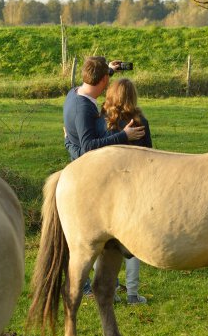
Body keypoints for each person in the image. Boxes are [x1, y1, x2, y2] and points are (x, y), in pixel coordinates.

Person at [62, 56, 146, 303]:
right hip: (89, 177)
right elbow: (88, 147)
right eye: (107, 77)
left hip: (88, 172)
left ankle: (108, 282)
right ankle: (89, 286)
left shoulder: (73, 93)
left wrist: (108, 69)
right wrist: (123, 135)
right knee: (91, 236)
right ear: (103, 82)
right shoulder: (84, 108)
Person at [100, 78, 153, 304]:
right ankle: (132, 292)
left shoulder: (104, 121)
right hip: (134, 186)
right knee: (133, 241)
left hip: (109, 187)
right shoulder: (139, 121)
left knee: (104, 240)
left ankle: (109, 290)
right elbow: (150, 155)